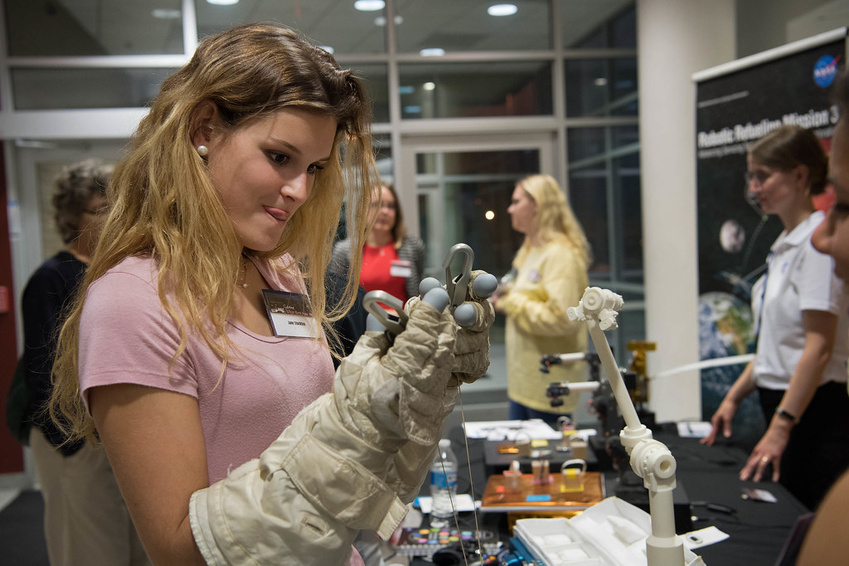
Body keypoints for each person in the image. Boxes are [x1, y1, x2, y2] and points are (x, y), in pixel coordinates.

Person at [48, 24, 493, 566]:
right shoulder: (133, 301)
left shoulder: (277, 271)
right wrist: (348, 432)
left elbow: (315, 443)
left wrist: (404, 382)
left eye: (314, 168)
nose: (300, 190)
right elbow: (178, 549)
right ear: (205, 128)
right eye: (281, 157)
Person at [702, 124, 849, 511]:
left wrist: (782, 427)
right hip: (782, 408)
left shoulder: (818, 243)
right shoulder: (783, 246)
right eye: (752, 176)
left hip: (810, 416)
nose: (754, 188)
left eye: (763, 176)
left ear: (801, 175)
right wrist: (734, 397)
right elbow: (775, 345)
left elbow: (818, 348)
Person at [21, 159, 150, 565]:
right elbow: (43, 371)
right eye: (99, 209)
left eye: (116, 206)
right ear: (72, 217)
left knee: (134, 547)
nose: (111, 217)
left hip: (120, 433)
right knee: (89, 548)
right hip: (75, 437)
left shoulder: (120, 271)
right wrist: (77, 441)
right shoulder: (51, 277)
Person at [491, 174, 591, 425]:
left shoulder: (561, 256)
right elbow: (517, 290)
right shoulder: (530, 249)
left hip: (551, 387)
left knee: (550, 463)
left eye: (516, 201)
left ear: (537, 204)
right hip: (523, 384)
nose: (509, 208)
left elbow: (562, 319)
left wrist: (511, 302)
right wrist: (502, 299)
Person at [332, 182, 425, 304]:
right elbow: (336, 298)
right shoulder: (344, 251)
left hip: (404, 321)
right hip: (362, 322)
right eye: (377, 205)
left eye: (390, 206)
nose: (385, 211)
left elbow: (418, 292)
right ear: (362, 211)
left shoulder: (411, 246)